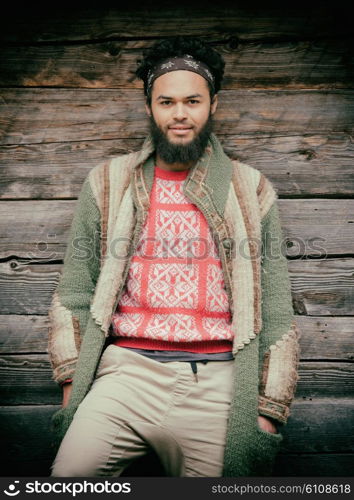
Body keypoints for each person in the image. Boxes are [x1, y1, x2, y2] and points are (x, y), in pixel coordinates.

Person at [48, 36, 300, 477]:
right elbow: (73, 290)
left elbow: (276, 309)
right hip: (124, 374)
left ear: (213, 105)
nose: (180, 114)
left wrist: (266, 412)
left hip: (219, 383)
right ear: (150, 106)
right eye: (166, 101)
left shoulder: (250, 189)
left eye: (192, 101)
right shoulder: (108, 183)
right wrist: (73, 387)